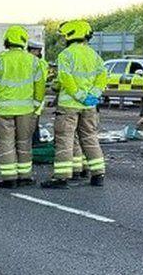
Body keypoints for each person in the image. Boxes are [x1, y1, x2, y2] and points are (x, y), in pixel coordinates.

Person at [42, 20, 107, 188]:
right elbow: (102, 77)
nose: (64, 39)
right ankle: (98, 175)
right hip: (89, 106)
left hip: (69, 105)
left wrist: (78, 95)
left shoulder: (66, 54)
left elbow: (65, 78)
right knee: (90, 138)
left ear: (71, 35)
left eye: (64, 36)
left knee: (65, 140)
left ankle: (61, 178)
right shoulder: (94, 55)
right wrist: (92, 95)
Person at [0, 25, 46, 188]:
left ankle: (9, 178)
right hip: (26, 110)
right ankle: (25, 176)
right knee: (24, 143)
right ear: (24, 42)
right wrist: (36, 104)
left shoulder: (0, 61)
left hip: (4, 110)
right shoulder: (33, 61)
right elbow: (40, 85)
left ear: (6, 42)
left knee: (6, 143)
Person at [27, 40, 49, 147]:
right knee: (34, 121)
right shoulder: (41, 63)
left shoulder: (37, 63)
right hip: (37, 96)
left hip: (33, 95)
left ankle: (34, 142)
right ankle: (35, 141)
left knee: (32, 121)